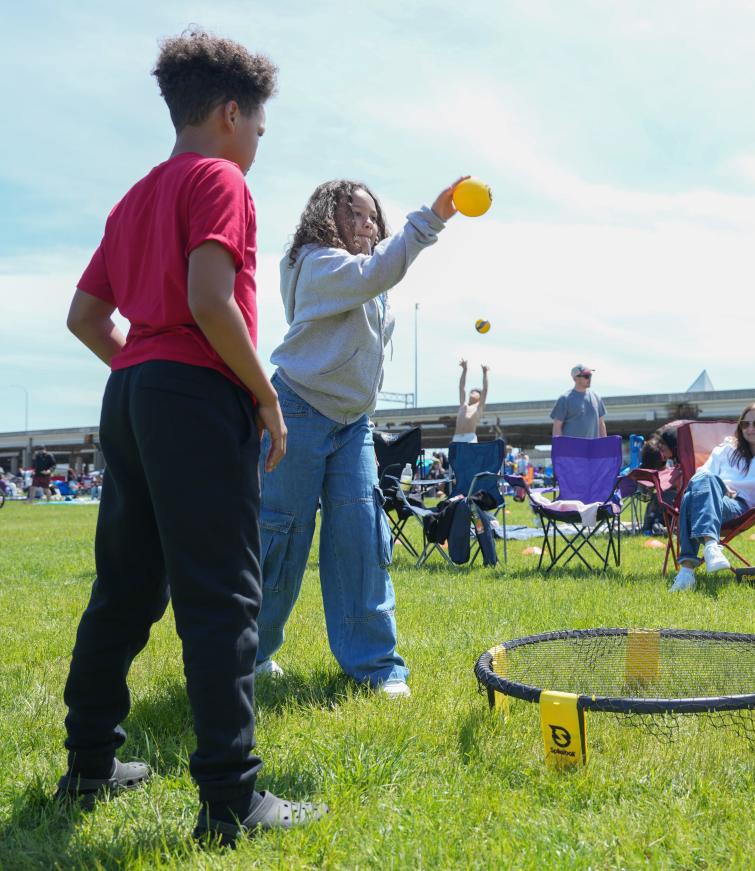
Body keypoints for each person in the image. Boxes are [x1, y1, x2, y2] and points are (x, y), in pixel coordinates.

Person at [57, 30, 324, 844]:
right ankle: (230, 801)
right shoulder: (220, 178)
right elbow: (213, 301)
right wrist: (264, 398)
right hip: (195, 396)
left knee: (125, 591)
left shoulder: (135, 196)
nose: (259, 145)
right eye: (259, 128)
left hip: (132, 392)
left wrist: (144, 364)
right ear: (231, 114)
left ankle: (90, 765)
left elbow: (84, 319)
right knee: (223, 598)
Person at [254, 176, 463, 695]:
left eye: (374, 217)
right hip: (298, 411)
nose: (368, 224)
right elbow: (374, 273)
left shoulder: (361, 277)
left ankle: (377, 667)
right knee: (282, 536)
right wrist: (430, 218)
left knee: (363, 540)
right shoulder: (317, 263)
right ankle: (251, 653)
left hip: (353, 424)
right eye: (356, 214)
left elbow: (372, 280)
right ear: (328, 218)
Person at [670, 403, 755, 592]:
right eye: (745, 424)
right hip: (716, 497)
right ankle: (711, 546)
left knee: (690, 499)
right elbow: (700, 477)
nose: (751, 429)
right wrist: (722, 487)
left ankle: (687, 572)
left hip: (743, 507)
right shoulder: (726, 450)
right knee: (706, 479)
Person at [550, 364, 606, 438]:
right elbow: (557, 426)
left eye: (590, 376)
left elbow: (601, 424)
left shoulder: (596, 398)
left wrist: (604, 446)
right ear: (576, 378)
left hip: (592, 448)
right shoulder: (564, 399)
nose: (589, 379)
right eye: (586, 376)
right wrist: (560, 447)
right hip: (572, 448)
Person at [453, 359, 488, 443]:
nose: (472, 392)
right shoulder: (463, 404)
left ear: (480, 397)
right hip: (457, 437)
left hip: (469, 438)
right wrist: (465, 369)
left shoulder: (479, 406)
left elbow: (485, 389)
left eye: (475, 392)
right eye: (471, 392)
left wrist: (484, 373)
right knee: (454, 456)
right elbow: (461, 387)